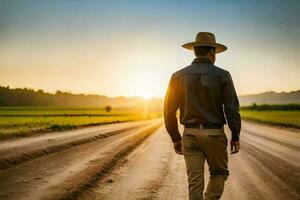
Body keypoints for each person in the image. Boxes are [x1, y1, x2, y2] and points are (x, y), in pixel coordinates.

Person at [164, 32, 241, 200]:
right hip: (214, 134)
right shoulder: (223, 75)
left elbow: (169, 111)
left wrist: (175, 138)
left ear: (195, 51)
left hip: (190, 135)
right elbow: (232, 110)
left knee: (195, 182)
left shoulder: (177, 76)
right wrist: (235, 136)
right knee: (219, 173)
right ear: (212, 52)